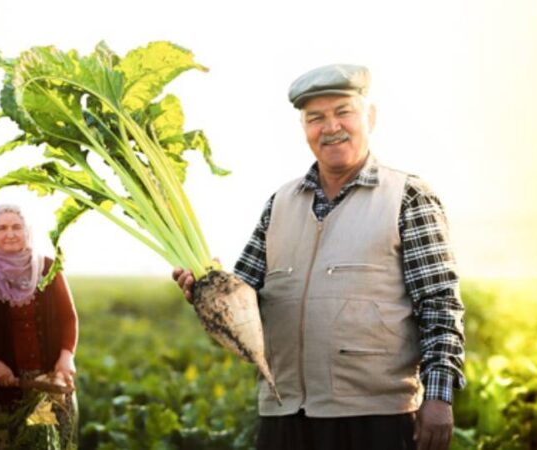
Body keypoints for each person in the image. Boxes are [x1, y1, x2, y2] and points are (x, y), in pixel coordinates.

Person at [173, 64, 465, 450]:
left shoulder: (408, 197)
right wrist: (206, 289)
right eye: (316, 118)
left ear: (370, 117)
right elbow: (246, 301)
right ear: (304, 128)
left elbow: (439, 303)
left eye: (343, 112)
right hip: (284, 414)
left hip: (376, 417)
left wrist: (439, 396)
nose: (331, 127)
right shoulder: (279, 204)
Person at [0, 204, 79, 449]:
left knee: (43, 442)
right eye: (2, 228)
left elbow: (68, 317)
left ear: (27, 231)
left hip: (45, 384)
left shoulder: (48, 268)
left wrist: (66, 356)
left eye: (16, 227)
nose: (10, 233)